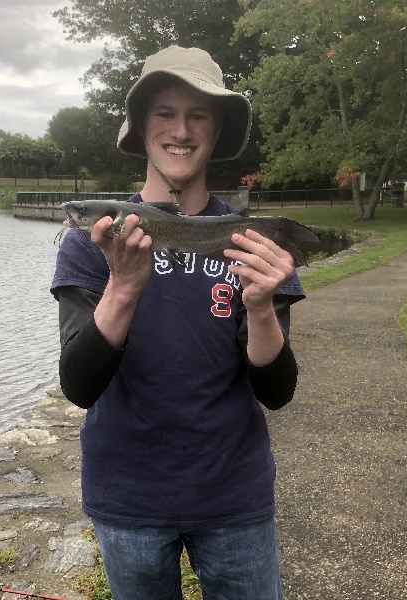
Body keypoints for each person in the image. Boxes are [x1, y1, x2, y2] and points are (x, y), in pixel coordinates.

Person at [51, 45, 305, 599]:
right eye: (165, 113)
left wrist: (261, 306)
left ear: (216, 133)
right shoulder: (89, 243)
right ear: (142, 129)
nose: (181, 131)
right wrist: (122, 287)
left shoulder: (254, 242)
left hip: (233, 495)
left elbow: (278, 391)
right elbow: (78, 385)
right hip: (128, 498)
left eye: (199, 116)